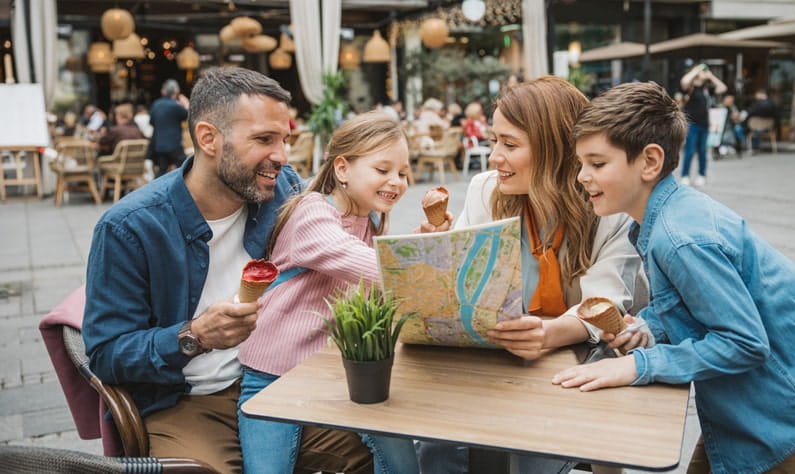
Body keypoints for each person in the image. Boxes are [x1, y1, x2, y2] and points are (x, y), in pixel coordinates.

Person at [82, 67, 373, 473]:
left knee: (375, 447)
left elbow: (343, 224)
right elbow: (107, 355)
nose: (283, 156)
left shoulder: (284, 188)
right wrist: (195, 335)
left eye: (285, 139)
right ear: (208, 139)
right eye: (264, 139)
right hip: (188, 400)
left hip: (280, 378)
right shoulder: (130, 227)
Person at [561, 80, 795, 473]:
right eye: (580, 164)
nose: (581, 176)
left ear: (650, 162)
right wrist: (648, 327)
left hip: (792, 402)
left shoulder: (680, 239)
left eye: (597, 163)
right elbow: (688, 304)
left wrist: (638, 365)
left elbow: (745, 342)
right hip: (775, 396)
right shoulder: (666, 218)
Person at [417, 76, 648, 474]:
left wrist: (547, 335)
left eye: (509, 144)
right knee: (434, 425)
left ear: (553, 149)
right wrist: (439, 258)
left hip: (578, 350)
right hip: (500, 351)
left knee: (537, 438)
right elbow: (467, 287)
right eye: (494, 141)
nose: (494, 157)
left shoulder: (608, 205)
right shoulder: (485, 189)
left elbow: (606, 302)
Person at [236, 111, 420, 474]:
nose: (396, 182)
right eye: (382, 170)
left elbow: (376, 275)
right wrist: (429, 271)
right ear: (342, 169)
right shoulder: (313, 213)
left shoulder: (368, 220)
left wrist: (426, 240)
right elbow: (355, 261)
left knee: (400, 452)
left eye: (402, 172)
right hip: (272, 375)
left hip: (336, 374)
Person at [678, 64, 726, 187]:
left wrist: (711, 76)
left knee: (703, 151)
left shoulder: (706, 89)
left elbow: (722, 88)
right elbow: (684, 81)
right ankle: (685, 175)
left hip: (704, 124)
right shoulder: (690, 88)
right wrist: (696, 70)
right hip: (691, 124)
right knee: (689, 150)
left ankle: (701, 175)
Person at [149, 79, 190, 177]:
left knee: (161, 171)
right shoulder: (175, 106)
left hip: (159, 145)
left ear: (163, 91)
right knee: (186, 171)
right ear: (176, 92)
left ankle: (156, 190)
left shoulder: (156, 104)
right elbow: (190, 116)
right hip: (174, 144)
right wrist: (186, 103)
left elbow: (151, 122)